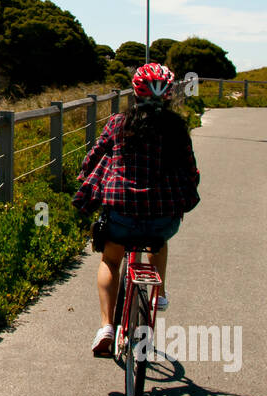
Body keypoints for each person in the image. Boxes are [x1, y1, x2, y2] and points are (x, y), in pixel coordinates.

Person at [72, 63, 200, 357]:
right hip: (162, 217)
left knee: (111, 261)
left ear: (135, 92)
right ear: (168, 95)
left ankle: (106, 327)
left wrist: (87, 178)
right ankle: (160, 294)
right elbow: (190, 171)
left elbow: (93, 157)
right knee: (159, 240)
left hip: (121, 212)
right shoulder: (178, 129)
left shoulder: (118, 123)